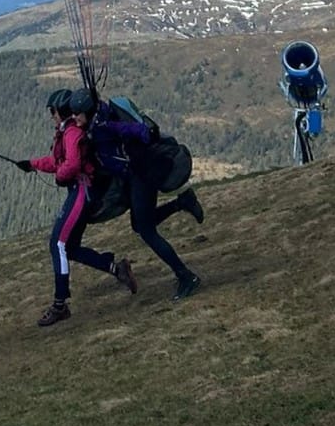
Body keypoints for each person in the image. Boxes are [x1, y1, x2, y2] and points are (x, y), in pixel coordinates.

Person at [18, 89, 137, 327]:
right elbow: (58, 161)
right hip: (83, 191)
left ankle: (60, 305)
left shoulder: (71, 133)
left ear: (59, 111)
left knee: (58, 244)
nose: (51, 116)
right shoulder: (68, 131)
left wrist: (60, 177)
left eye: (52, 111)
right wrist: (32, 164)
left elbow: (70, 165)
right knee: (69, 248)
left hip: (81, 191)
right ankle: (117, 268)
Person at [89, 96, 204, 302]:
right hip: (142, 173)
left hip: (142, 175)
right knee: (139, 224)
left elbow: (129, 139)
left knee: (147, 231)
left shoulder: (103, 128)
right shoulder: (106, 117)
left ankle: (186, 276)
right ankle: (182, 202)